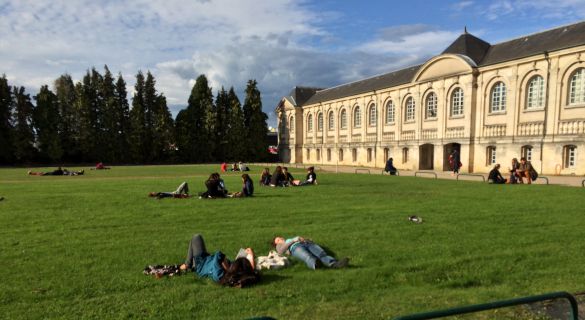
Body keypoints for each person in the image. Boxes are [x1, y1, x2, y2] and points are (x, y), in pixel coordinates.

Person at [179, 234, 259, 287]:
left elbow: (219, 255)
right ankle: (189, 264)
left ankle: (187, 264)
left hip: (201, 263)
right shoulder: (237, 274)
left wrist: (228, 268)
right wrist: (251, 255)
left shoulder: (220, 274)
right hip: (208, 259)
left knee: (196, 237)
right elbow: (251, 271)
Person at [272, 235, 349, 270]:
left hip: (306, 243)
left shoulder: (290, 238)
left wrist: (306, 239)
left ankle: (334, 264)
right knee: (308, 257)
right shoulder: (279, 246)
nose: (280, 239)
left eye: (280, 238)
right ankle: (316, 265)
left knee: (321, 254)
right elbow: (280, 251)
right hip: (295, 247)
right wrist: (293, 240)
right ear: (276, 243)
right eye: (278, 240)